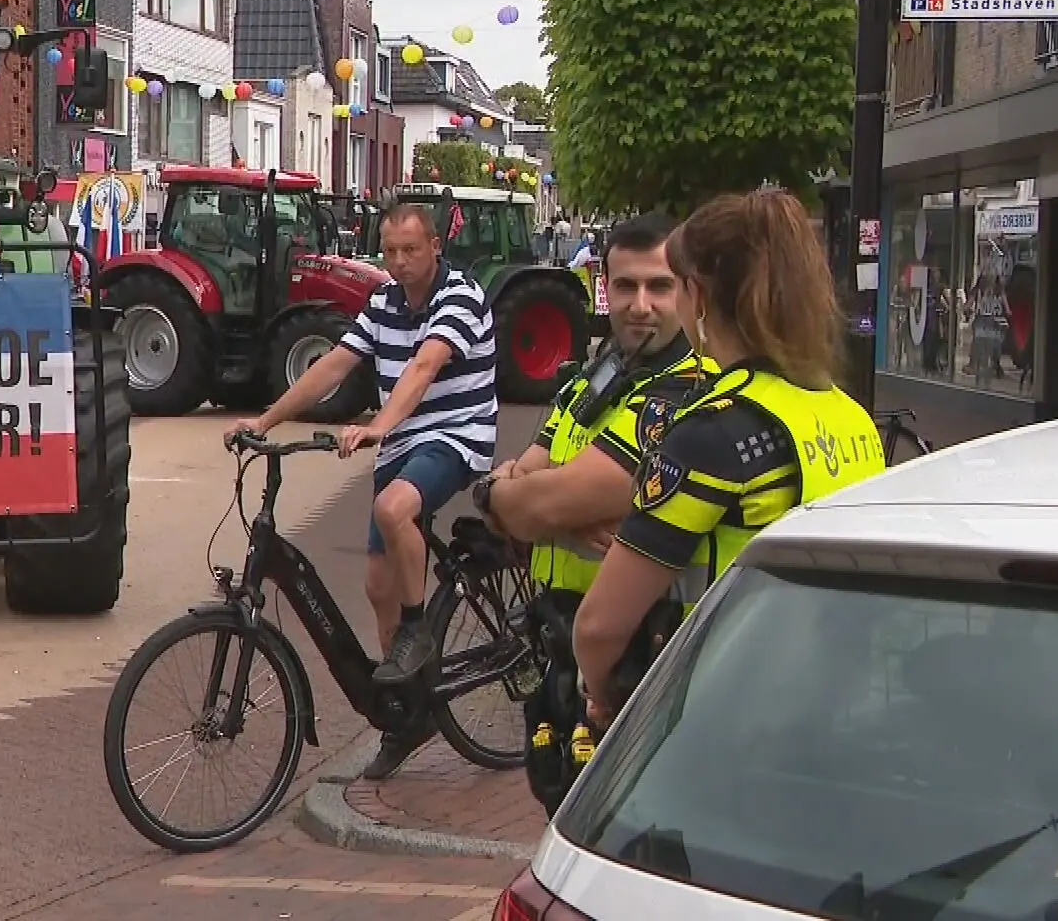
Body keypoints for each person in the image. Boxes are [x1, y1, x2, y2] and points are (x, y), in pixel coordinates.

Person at [572, 186, 887, 734]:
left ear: (697, 295)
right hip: (837, 702)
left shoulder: (714, 430)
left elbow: (599, 627)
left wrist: (600, 695)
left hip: (729, 715)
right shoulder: (850, 415)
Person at [229, 202, 498, 781]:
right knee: (378, 587)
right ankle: (408, 714)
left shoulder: (461, 297)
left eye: (411, 250)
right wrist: (266, 420)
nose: (399, 262)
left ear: (435, 247)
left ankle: (418, 632)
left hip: (455, 435)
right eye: (390, 251)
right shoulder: (382, 303)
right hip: (402, 442)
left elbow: (424, 367)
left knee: (393, 507)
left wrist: (379, 425)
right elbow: (334, 365)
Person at [468, 211, 715, 815]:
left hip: (634, 648)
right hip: (558, 639)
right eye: (625, 285)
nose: (640, 305)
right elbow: (518, 483)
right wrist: (544, 510)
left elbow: (535, 496)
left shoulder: (690, 390)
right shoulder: (595, 378)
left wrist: (530, 505)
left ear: (689, 291)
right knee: (559, 805)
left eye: (659, 287)